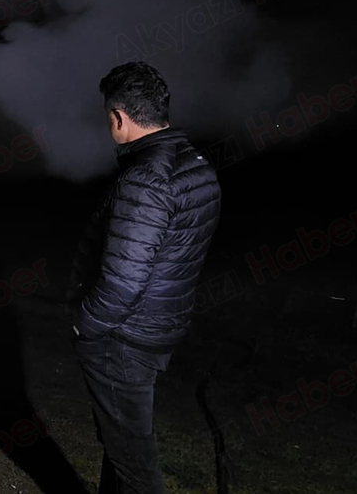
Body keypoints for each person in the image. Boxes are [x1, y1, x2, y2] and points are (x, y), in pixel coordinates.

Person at [68, 62, 222, 494]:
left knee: (135, 464)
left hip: (122, 341)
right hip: (157, 329)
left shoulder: (145, 180)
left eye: (108, 118)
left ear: (119, 117)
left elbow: (123, 283)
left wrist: (85, 325)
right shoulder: (195, 165)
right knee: (120, 443)